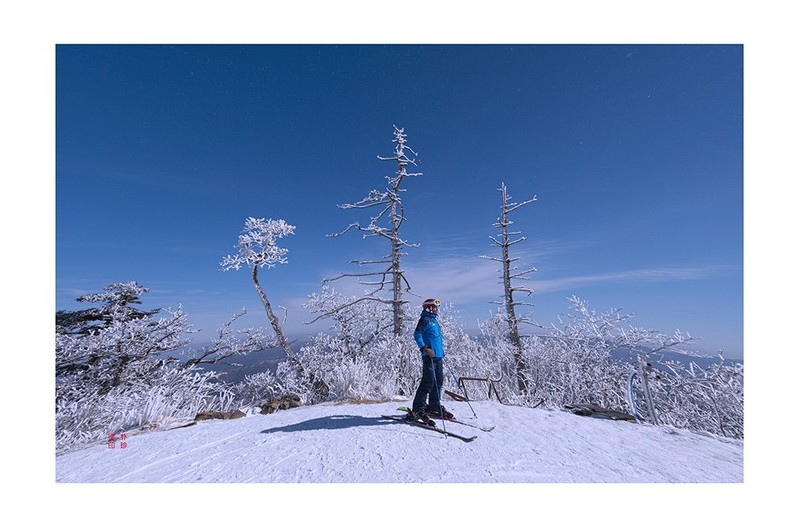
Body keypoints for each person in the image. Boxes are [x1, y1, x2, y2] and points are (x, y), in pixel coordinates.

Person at [406, 298, 454, 424]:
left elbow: (435, 338)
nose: (434, 309)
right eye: (431, 307)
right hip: (429, 357)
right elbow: (417, 334)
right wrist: (424, 348)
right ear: (426, 308)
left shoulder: (434, 320)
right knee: (427, 383)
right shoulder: (425, 319)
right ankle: (418, 410)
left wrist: (440, 351)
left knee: (438, 382)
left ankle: (434, 405)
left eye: (435, 307)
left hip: (438, 357)